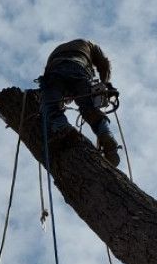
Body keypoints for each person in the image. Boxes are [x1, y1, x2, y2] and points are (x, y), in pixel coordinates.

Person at [39, 38, 120, 167]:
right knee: (90, 110)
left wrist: (61, 99)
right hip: (79, 69)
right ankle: (106, 135)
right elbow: (104, 63)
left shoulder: (57, 50)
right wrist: (104, 84)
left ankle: (63, 129)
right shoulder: (89, 45)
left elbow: (54, 86)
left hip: (55, 70)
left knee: (51, 107)